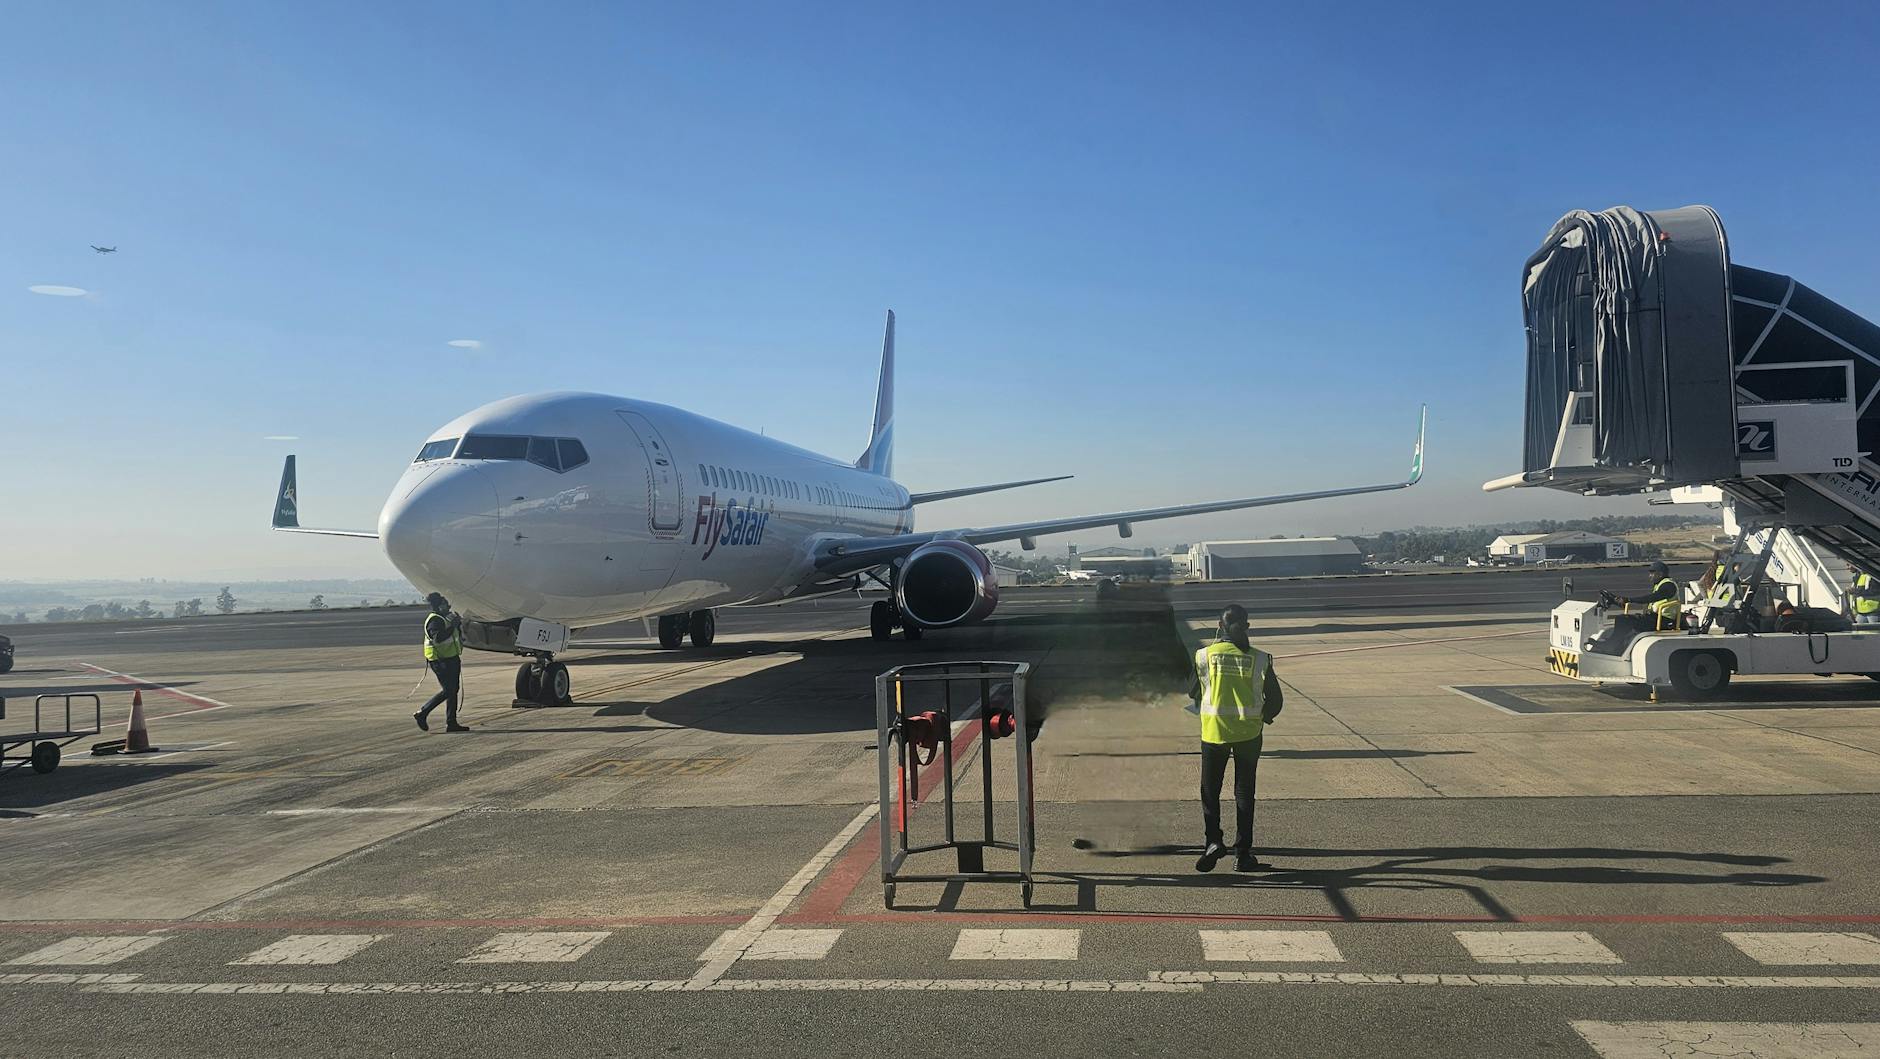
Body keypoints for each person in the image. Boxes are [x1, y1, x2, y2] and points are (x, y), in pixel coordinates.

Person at [1191, 603, 1283, 873]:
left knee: (1210, 791)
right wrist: (1261, 718)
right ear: (1247, 627)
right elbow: (1275, 701)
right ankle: (1243, 854)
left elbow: (1192, 691)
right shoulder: (1260, 658)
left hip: (1214, 731)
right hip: (1249, 734)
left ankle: (1213, 841)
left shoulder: (1203, 656)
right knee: (1244, 793)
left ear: (1219, 627)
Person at [1588, 560, 1681, 655]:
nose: (1650, 576)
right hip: (1655, 618)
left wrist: (1629, 599)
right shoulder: (1661, 584)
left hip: (1664, 621)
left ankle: (1611, 646)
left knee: (1623, 620)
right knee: (1624, 620)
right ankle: (1615, 647)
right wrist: (1619, 601)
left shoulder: (1668, 585)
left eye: (1652, 573)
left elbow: (1651, 598)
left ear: (1660, 574)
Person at [415, 592, 470, 732]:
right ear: (439, 606)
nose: (448, 606)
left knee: (453, 690)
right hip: (440, 661)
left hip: (451, 658)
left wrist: (456, 625)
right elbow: (438, 638)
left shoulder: (444, 618)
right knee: (449, 690)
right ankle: (423, 712)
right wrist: (452, 626)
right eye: (445, 604)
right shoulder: (435, 620)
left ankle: (451, 723)